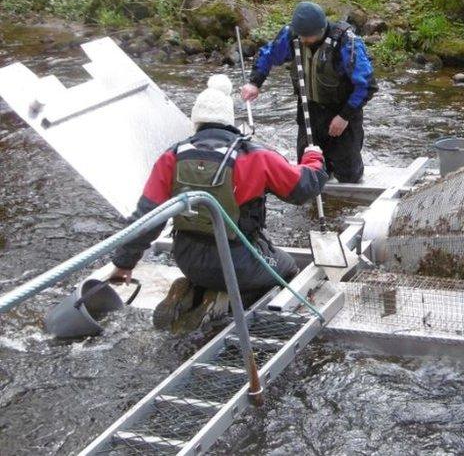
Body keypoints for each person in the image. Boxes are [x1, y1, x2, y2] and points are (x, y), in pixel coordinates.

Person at [109, 74, 329, 329]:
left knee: (217, 267)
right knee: (289, 269)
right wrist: (314, 158)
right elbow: (305, 189)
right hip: (238, 264)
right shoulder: (255, 156)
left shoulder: (172, 157)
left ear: (196, 120)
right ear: (229, 120)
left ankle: (198, 290)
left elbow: (146, 218)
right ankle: (224, 302)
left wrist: (124, 264)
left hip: (187, 260)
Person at [241, 1, 378, 183]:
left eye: (308, 37)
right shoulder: (293, 35)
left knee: (349, 176)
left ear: (321, 30)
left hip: (342, 111)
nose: (303, 40)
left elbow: (367, 85)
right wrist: (254, 82)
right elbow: (269, 54)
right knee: (309, 172)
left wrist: (344, 116)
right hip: (309, 110)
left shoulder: (345, 42)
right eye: (301, 36)